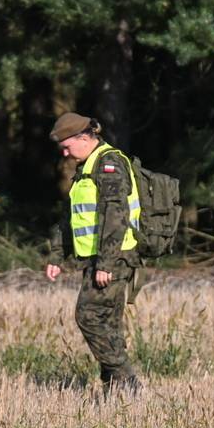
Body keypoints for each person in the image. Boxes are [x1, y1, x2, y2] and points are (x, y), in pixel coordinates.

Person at [45, 112, 142, 396]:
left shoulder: (109, 164)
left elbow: (116, 215)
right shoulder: (85, 167)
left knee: (88, 316)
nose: (64, 152)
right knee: (109, 324)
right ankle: (116, 389)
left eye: (67, 145)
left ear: (84, 138)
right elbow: (70, 216)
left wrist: (106, 263)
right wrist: (57, 256)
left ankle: (127, 380)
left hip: (114, 257)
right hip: (96, 259)